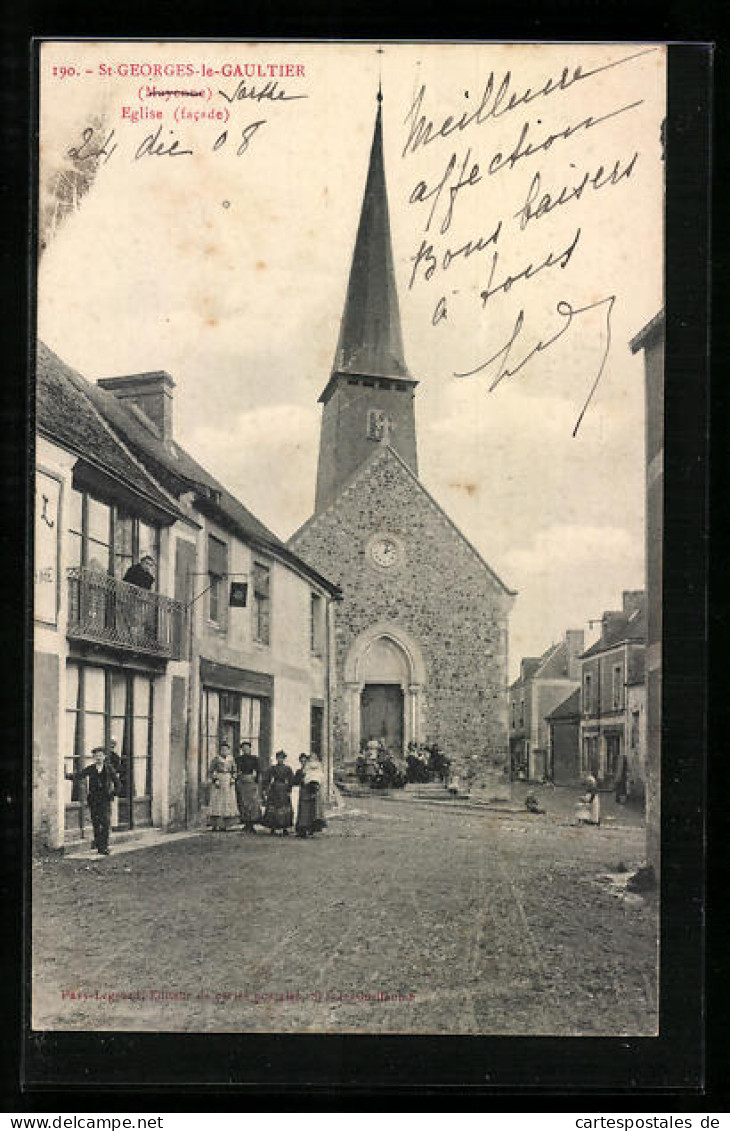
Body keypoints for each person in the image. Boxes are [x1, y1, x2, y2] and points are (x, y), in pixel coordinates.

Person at [65, 746, 120, 855]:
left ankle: (104, 846)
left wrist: (112, 793)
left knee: (105, 823)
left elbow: (118, 783)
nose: (98, 758)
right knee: (96, 823)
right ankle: (100, 847)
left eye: (100, 755)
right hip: (94, 799)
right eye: (96, 756)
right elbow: (79, 775)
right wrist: (67, 775)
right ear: (94, 757)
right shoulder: (91, 768)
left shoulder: (109, 769)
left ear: (104, 757)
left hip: (105, 799)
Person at [262, 750, 294, 836]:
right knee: (273, 808)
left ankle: (285, 828)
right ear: (276, 758)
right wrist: (266, 788)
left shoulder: (288, 769)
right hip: (274, 789)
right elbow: (267, 778)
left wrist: (289, 790)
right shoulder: (273, 768)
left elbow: (291, 780)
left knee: (284, 808)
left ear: (284, 759)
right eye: (279, 758)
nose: (280, 759)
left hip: (284, 789)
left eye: (282, 758)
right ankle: (273, 827)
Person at [295, 753, 328, 837]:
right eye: (301, 761)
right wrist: (301, 779)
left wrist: (314, 787)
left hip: (311, 793)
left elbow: (319, 779)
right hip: (303, 792)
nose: (303, 762)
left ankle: (311, 829)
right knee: (303, 812)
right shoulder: (300, 771)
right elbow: (296, 781)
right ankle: (301, 830)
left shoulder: (313, 770)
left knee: (311, 811)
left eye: (304, 761)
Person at [209, 740, 238, 831]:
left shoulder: (231, 759)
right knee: (217, 801)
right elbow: (211, 771)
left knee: (227, 801)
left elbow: (235, 770)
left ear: (229, 750)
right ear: (220, 750)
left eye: (226, 749)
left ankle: (224, 825)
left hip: (228, 780)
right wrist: (215, 779)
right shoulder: (216, 759)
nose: (224, 751)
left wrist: (233, 778)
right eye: (222, 749)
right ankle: (215, 824)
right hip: (219, 779)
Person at [235, 740, 261, 834]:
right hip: (242, 781)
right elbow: (235, 770)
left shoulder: (254, 759)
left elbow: (258, 771)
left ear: (250, 749)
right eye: (243, 748)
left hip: (251, 781)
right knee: (243, 802)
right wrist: (237, 778)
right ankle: (246, 823)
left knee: (252, 803)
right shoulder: (238, 759)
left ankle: (252, 824)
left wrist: (256, 781)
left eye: (247, 747)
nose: (245, 749)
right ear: (242, 749)